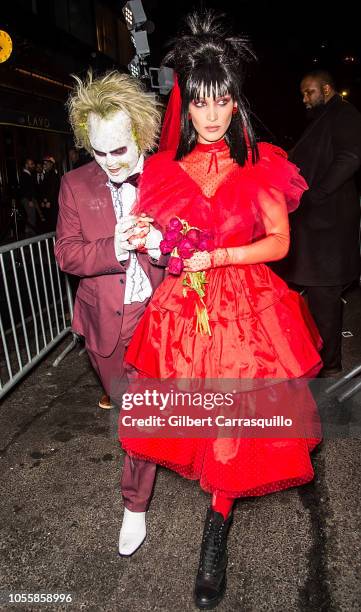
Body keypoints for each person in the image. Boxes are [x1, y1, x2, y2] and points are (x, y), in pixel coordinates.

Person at [120, 12, 323, 609]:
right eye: (201, 103)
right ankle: (208, 505)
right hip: (186, 311)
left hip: (244, 311)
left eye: (222, 102)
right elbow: (160, 239)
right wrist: (143, 238)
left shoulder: (261, 164)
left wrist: (218, 256)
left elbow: (280, 243)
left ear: (236, 104)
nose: (211, 115)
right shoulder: (162, 172)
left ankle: (217, 524)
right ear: (187, 106)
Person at [54, 71, 167, 557]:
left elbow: (194, 244)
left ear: (140, 134)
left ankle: (134, 504)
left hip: (160, 316)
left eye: (119, 150)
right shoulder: (75, 184)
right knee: (132, 411)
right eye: (98, 151)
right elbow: (66, 254)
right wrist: (112, 246)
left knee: (143, 416)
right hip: (103, 322)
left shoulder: (169, 176)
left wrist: (162, 245)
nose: (108, 162)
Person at [273, 70, 361, 377]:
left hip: (330, 229)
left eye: (309, 92)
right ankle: (318, 362)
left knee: (324, 300)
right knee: (315, 299)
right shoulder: (323, 119)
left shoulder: (344, 113)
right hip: (316, 228)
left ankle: (331, 368)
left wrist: (317, 193)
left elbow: (350, 157)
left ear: (327, 88)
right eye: (302, 93)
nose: (304, 99)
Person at [19, 158, 44, 234]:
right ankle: (31, 234)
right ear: (26, 165)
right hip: (27, 199)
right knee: (32, 216)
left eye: (33, 164)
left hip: (29, 198)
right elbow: (26, 188)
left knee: (32, 216)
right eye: (31, 164)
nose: (33, 165)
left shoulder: (28, 174)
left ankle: (29, 232)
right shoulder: (25, 175)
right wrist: (30, 200)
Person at [41, 156, 61, 231]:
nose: (44, 165)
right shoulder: (46, 174)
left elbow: (53, 189)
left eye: (46, 163)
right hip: (47, 202)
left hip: (53, 202)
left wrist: (49, 201)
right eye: (44, 163)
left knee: (53, 221)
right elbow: (44, 189)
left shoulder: (53, 174)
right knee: (49, 220)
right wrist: (43, 200)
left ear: (51, 165)